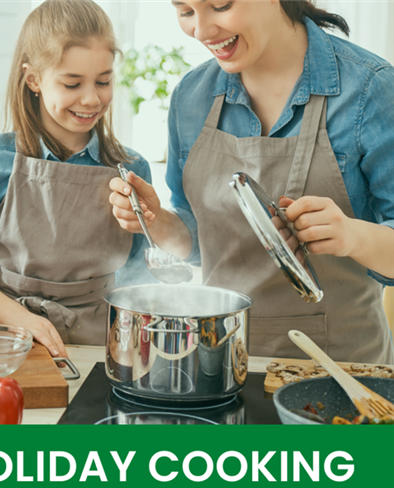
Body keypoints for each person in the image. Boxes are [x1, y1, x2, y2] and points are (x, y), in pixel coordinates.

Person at [109, 0, 394, 363]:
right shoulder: (191, 97)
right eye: (185, 11)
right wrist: (157, 221)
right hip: (219, 364)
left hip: (338, 371)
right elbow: (201, 240)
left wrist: (353, 236)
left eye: (220, 5)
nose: (201, 30)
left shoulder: (371, 90)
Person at [0, 0, 152, 358]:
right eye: (72, 83)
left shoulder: (131, 168)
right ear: (33, 79)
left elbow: (142, 271)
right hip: (11, 337)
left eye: (103, 81)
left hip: (108, 340)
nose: (91, 98)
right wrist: (21, 319)